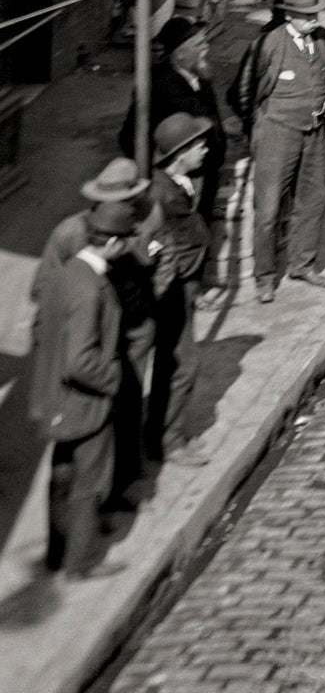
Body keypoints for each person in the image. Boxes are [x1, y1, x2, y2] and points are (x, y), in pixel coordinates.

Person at [31, 160, 163, 504]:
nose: (133, 204)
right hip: (91, 346)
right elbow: (45, 289)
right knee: (90, 429)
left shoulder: (137, 220)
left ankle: (120, 484)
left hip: (128, 338)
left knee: (127, 412)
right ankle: (88, 509)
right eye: (128, 197)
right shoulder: (71, 233)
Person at [29, 201, 136, 579]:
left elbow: (43, 329)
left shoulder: (66, 273)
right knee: (89, 481)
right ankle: (83, 560)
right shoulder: (92, 289)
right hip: (85, 402)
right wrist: (113, 378)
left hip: (55, 398)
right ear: (112, 244)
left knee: (61, 475)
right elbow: (80, 360)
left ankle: (57, 553)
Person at [228, 0, 325, 304]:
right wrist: (257, 128)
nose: (314, 19)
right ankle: (264, 277)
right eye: (306, 15)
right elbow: (244, 91)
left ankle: (302, 264)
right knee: (269, 208)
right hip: (277, 133)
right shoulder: (269, 44)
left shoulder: (321, 39)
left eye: (316, 12)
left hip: (313, 132)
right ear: (288, 15)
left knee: (313, 199)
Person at [145, 114, 213, 468]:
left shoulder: (183, 180)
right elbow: (162, 245)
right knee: (183, 364)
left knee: (173, 363)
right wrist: (185, 278)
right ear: (179, 153)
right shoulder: (160, 194)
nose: (204, 147)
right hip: (173, 287)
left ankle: (160, 435)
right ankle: (167, 442)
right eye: (197, 144)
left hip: (186, 284)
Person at [118, 16, 226, 226]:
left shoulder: (199, 75)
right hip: (182, 180)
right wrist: (159, 174)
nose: (206, 47)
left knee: (201, 228)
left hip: (205, 174)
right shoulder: (158, 86)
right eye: (199, 44)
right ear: (180, 54)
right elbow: (129, 136)